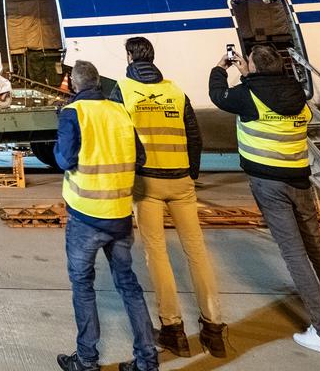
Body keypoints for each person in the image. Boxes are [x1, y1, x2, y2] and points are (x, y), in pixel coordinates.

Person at [210, 44, 320, 359]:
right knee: (318, 250)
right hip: (299, 182)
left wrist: (221, 68)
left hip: (269, 184)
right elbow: (275, 98)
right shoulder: (298, 97)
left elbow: (219, 96)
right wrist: (252, 75)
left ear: (253, 67)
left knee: (294, 256)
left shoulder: (247, 96)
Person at [109, 36, 227, 358]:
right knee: (197, 252)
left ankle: (173, 329)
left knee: (157, 254)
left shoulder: (123, 90)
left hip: (146, 185)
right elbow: (194, 136)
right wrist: (192, 173)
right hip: (181, 182)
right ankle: (214, 329)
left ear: (130, 57)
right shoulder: (176, 91)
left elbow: (119, 137)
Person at [56, 60, 159, 371]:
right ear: (98, 82)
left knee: (83, 286)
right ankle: (147, 361)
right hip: (120, 215)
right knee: (129, 287)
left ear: (74, 85)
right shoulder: (120, 111)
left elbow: (64, 159)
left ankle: (87, 361)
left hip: (86, 217)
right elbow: (140, 157)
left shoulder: (72, 113)